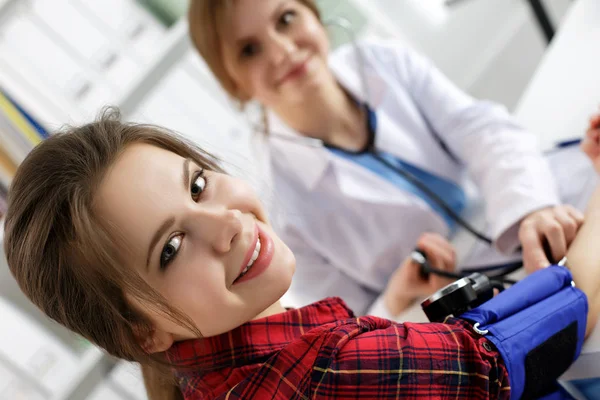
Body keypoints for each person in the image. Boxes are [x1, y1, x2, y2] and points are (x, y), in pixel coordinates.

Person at [3, 109, 600, 400]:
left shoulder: (220, 379)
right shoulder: (323, 372)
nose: (228, 226)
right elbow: (546, 338)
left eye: (198, 185)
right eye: (173, 247)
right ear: (141, 331)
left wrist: (392, 307)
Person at [187, 0, 588, 318]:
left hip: (519, 219)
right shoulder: (276, 202)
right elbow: (348, 324)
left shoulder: (384, 61)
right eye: (249, 50)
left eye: (286, 17)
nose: (283, 49)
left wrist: (530, 208)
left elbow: (479, 128)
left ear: (313, 13)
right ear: (232, 82)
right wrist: (397, 295)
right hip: (466, 307)